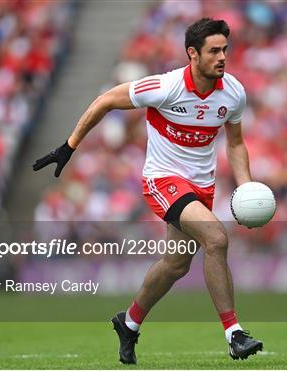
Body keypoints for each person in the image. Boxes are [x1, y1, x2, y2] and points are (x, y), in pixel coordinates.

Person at [33, 18, 263, 364]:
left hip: (202, 187)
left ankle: (129, 322)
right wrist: (69, 146)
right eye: (214, 50)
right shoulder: (165, 86)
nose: (222, 57)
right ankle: (235, 334)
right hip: (162, 180)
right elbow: (106, 100)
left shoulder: (233, 93)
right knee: (216, 238)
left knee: (176, 263)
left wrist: (245, 185)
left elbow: (236, 143)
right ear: (192, 54)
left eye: (225, 50)